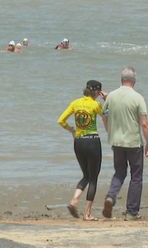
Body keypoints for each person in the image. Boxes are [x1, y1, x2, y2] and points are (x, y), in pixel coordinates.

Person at [102, 67, 148, 221]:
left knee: (119, 172)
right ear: (134, 81)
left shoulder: (111, 96)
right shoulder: (138, 98)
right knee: (136, 176)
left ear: (121, 80)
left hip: (117, 141)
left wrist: (109, 130)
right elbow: (144, 124)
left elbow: (104, 115)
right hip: (134, 142)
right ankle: (131, 212)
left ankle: (111, 196)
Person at [57, 80, 107, 221]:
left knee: (86, 175)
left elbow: (60, 120)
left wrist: (72, 130)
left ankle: (74, 200)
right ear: (97, 92)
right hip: (92, 141)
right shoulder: (96, 104)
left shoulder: (75, 103)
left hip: (78, 142)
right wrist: (107, 100)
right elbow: (106, 115)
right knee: (93, 178)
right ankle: (87, 214)